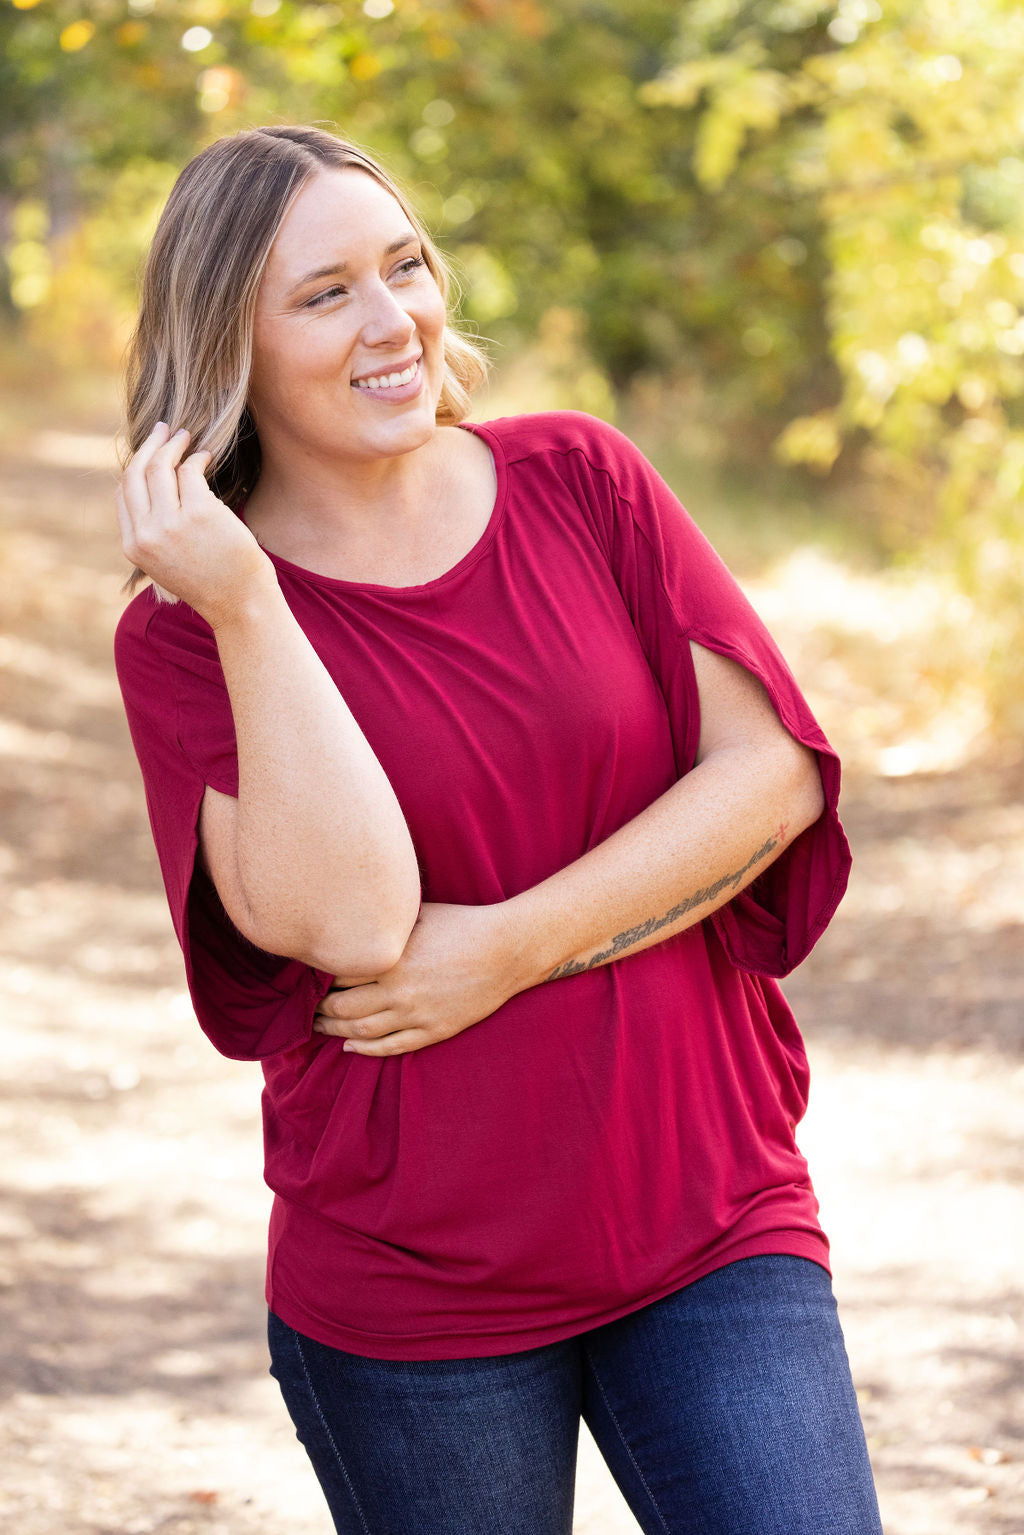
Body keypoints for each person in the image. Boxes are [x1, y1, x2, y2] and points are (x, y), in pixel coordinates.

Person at [113, 124, 884, 1535]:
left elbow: (770, 777)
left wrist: (513, 948)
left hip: (711, 1211)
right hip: (417, 1289)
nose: (394, 317)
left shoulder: (582, 481)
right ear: (230, 344)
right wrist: (251, 605)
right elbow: (351, 925)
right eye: (326, 292)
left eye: (403, 265)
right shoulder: (187, 640)